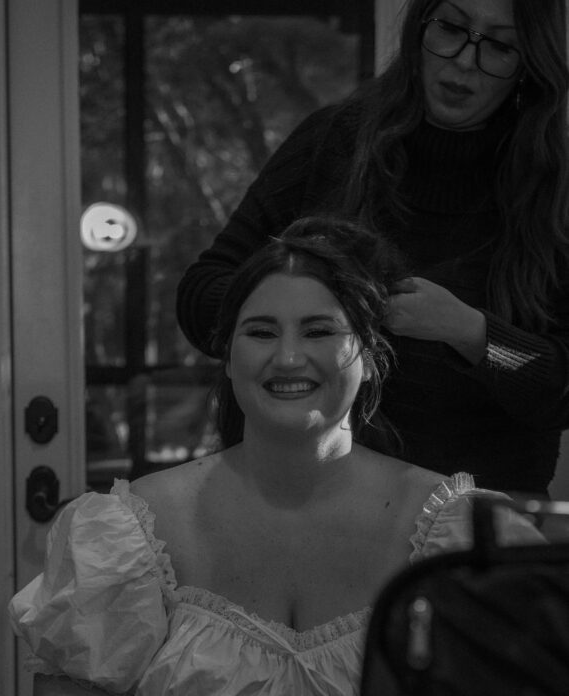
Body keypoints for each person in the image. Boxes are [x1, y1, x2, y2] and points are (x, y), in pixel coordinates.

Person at [10, 218, 541, 696]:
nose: (288, 357)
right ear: (227, 358)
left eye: (320, 331)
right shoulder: (128, 533)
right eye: (261, 332)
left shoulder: (458, 535)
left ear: (372, 356)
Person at [175, 0, 569, 495]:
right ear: (419, 28)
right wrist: (305, 311)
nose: (466, 60)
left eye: (500, 44)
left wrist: (471, 333)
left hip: (474, 523)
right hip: (298, 503)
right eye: (451, 28)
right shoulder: (334, 141)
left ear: (529, 63)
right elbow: (198, 295)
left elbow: (562, 389)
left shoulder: (554, 190)